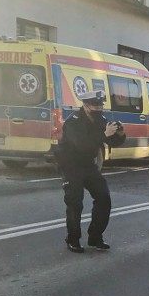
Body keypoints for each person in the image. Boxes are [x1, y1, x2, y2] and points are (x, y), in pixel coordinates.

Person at [55, 90, 125, 253]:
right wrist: (104, 134)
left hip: (87, 164)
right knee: (75, 202)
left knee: (103, 198)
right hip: (70, 164)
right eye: (95, 105)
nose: (99, 108)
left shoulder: (100, 119)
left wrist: (119, 133)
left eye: (101, 105)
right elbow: (82, 144)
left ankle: (95, 237)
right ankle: (73, 239)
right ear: (86, 106)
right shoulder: (73, 122)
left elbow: (112, 140)